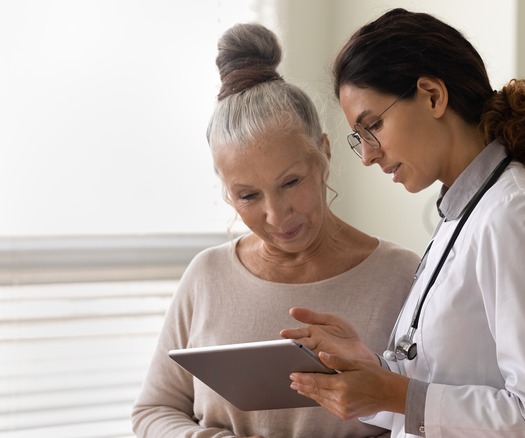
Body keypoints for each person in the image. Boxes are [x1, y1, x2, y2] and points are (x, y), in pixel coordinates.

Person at [281, 8, 525, 438]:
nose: (368, 155)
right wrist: (371, 372)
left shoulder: (515, 215)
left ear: (433, 96)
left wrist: (393, 392)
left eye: (373, 126)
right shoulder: (466, 214)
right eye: (360, 137)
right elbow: (442, 389)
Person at [131, 22, 420, 438]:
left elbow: (432, 416)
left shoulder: (401, 276)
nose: (276, 215)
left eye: (291, 183)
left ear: (323, 152)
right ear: (227, 193)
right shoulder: (206, 276)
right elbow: (154, 411)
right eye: (248, 196)